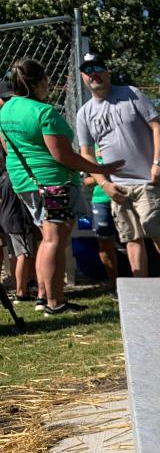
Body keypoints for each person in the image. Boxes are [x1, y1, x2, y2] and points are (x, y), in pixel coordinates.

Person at [0, 58, 123, 315]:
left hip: (25, 182)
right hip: (53, 184)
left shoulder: (5, 111)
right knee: (54, 240)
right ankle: (54, 302)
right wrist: (101, 168)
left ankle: (46, 297)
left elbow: (7, 147)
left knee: (48, 239)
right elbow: (62, 156)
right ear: (40, 82)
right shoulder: (44, 112)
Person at [75, 52, 160, 278]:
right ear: (83, 77)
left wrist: (158, 162)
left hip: (146, 178)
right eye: (88, 71)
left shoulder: (131, 94)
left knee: (153, 226)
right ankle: (139, 284)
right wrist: (104, 184)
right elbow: (87, 153)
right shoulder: (84, 113)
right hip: (117, 185)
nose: (94, 75)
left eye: (98, 69)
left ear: (107, 72)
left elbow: (158, 127)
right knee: (130, 235)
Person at [0, 79, 37, 305]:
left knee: (17, 240)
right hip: (9, 183)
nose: (8, 103)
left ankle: (24, 285)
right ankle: (21, 290)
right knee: (20, 240)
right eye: (5, 99)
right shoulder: (5, 123)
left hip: (6, 183)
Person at [81, 145, 118, 295]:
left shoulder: (118, 142)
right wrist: (102, 177)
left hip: (123, 197)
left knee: (132, 240)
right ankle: (113, 283)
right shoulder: (89, 150)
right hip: (101, 201)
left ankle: (137, 280)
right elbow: (86, 181)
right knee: (104, 241)